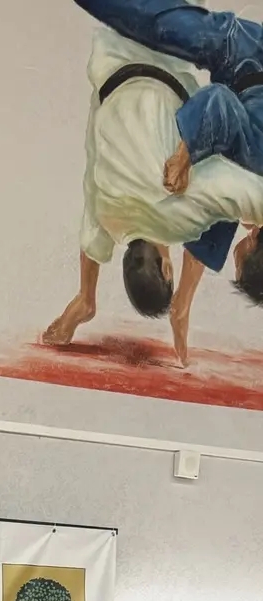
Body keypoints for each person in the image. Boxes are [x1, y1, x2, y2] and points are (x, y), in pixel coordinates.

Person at [45, 18, 263, 365]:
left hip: (169, 50)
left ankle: (178, 303)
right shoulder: (108, 213)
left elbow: (236, 189)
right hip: (112, 59)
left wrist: (252, 214)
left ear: (168, 270)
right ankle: (113, 300)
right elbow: (91, 228)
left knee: (220, 179)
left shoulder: (179, 216)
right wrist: (86, 296)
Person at [75, 0, 263, 192]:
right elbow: (220, 103)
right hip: (242, 54)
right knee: (164, 23)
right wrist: (184, 157)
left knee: (166, 23)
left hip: (244, 50)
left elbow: (222, 104)